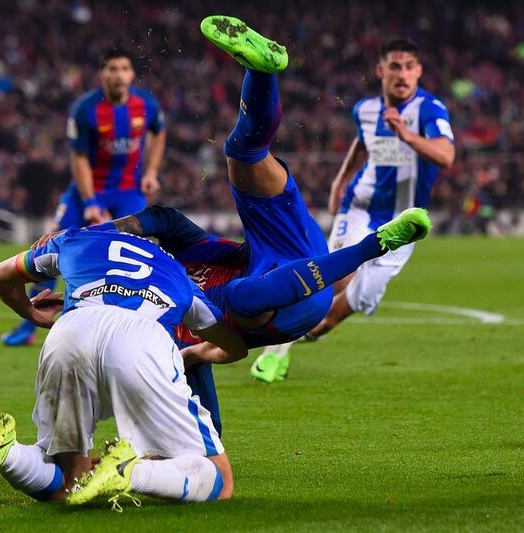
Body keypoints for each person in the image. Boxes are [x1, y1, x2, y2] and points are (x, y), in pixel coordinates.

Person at [32, 16, 432, 432]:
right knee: (241, 301)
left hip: (272, 249)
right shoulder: (172, 308)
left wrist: (84, 234)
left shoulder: (170, 275)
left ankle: (261, 70)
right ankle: (378, 243)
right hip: (292, 304)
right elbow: (193, 361)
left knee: (242, 153)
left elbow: (163, 219)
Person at [0, 226, 246, 507]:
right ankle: (130, 472)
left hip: (71, 331)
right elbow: (233, 347)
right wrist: (191, 355)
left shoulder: (75, 239)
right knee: (221, 480)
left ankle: (6, 452)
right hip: (142, 337)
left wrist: (33, 315)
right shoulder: (179, 276)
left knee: (70, 485)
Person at [252, 38, 456, 383]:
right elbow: (362, 143)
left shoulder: (430, 111)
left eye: (409, 66)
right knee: (335, 274)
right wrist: (341, 180)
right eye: (394, 66)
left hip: (404, 221)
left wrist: (406, 135)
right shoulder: (365, 109)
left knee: (343, 310)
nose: (402, 74)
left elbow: (446, 155)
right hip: (361, 206)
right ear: (381, 71)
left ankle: (292, 336)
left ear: (419, 71)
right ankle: (274, 352)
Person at [1, 45, 167, 346]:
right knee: (49, 247)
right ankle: (28, 325)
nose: (119, 75)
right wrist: (90, 202)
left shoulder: (147, 106)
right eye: (112, 69)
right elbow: (78, 160)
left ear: (132, 73)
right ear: (102, 73)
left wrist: (152, 171)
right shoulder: (86, 109)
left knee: (137, 253)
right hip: (85, 192)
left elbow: (159, 132)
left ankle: (135, 324)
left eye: (124, 69)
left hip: (128, 192)